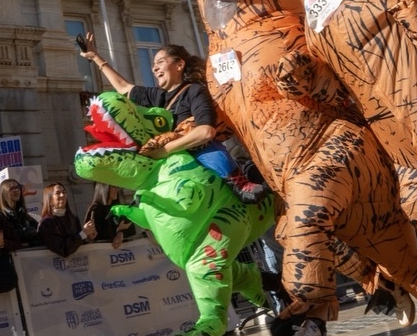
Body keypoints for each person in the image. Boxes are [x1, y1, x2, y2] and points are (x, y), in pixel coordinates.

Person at [79, 32, 267, 202]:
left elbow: (206, 132)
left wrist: (165, 149)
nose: (154, 68)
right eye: (153, 65)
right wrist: (95, 57)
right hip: (165, 154)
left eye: (160, 62)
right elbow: (123, 88)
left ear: (179, 64)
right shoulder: (157, 96)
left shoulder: (194, 91)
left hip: (194, 149)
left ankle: (240, 183)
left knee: (209, 151)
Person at [37, 182, 97, 257]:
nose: (62, 195)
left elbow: (78, 245)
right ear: (49, 199)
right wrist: (83, 234)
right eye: (58, 193)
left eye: (64, 192)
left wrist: (88, 237)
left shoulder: (73, 219)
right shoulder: (46, 223)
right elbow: (63, 250)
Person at [85, 182, 135, 250]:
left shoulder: (119, 209)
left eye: (117, 187)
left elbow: (131, 230)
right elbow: (95, 236)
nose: (117, 190)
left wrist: (121, 233)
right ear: (104, 188)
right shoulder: (95, 210)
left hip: (124, 253)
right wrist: (117, 230)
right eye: (113, 187)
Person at [0, 179, 40, 248]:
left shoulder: (23, 213)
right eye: (12, 188)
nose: (16, 190)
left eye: (17, 187)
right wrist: (27, 232)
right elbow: (6, 238)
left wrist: (29, 244)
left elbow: (40, 231)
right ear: (4, 193)